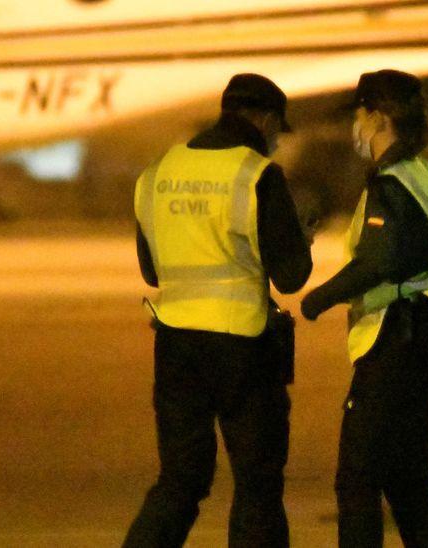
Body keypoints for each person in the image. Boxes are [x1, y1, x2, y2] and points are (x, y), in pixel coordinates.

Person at [125, 73, 313, 548]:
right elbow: (291, 276)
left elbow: (152, 270)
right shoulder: (255, 175)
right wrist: (298, 240)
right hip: (242, 347)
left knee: (180, 483)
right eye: (277, 130)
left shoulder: (158, 172)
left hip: (175, 346)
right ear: (266, 120)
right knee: (257, 484)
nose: (275, 141)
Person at [300, 70, 428, 548]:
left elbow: (381, 259)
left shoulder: (391, 183)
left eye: (358, 114)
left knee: (357, 480)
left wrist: (318, 298)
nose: (355, 126)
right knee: (408, 485)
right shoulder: (422, 173)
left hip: (396, 342)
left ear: (379, 117)